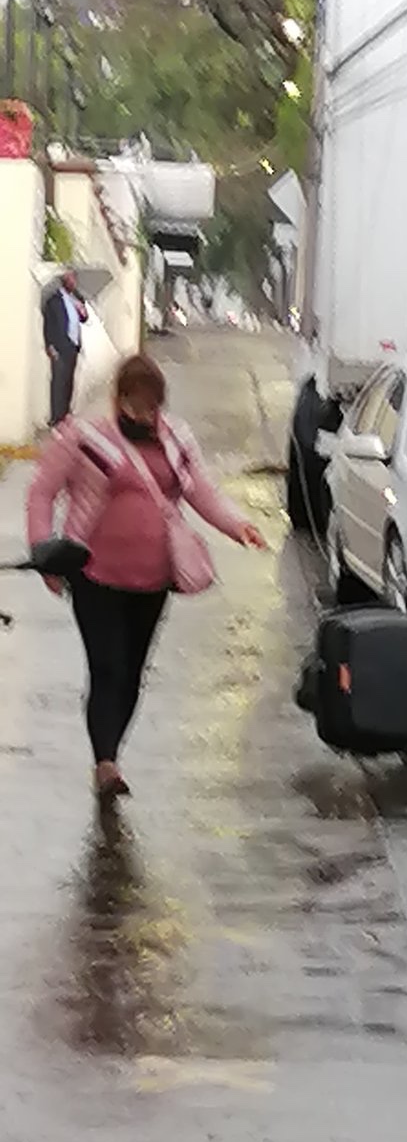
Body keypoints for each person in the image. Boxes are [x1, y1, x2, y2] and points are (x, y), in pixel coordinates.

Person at [26, 352, 267, 800]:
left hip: (154, 578)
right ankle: (106, 764)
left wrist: (238, 525)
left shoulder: (176, 439)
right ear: (118, 398)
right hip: (94, 575)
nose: (143, 414)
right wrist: (43, 549)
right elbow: (41, 491)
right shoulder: (84, 438)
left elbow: (201, 491)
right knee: (108, 667)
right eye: (135, 404)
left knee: (133, 672)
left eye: (151, 405)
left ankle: (112, 750)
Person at [41, 270, 90, 427]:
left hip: (73, 346)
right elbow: (48, 324)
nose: (73, 281)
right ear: (63, 280)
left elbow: (84, 318)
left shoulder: (76, 298)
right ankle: (56, 417)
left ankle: (65, 413)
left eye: (74, 277)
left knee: (69, 381)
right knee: (58, 381)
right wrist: (49, 345)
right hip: (59, 346)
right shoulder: (53, 300)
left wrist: (81, 309)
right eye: (70, 278)